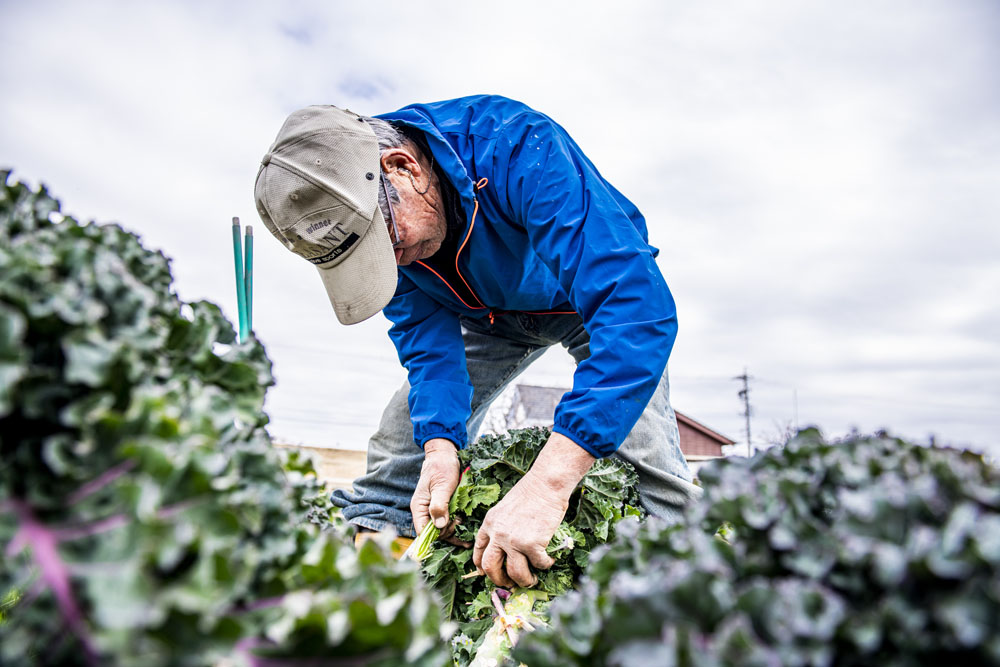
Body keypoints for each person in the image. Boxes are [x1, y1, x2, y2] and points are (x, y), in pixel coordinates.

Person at [253, 95, 702, 588]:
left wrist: (548, 483)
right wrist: (439, 447)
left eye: (389, 245)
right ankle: (384, 594)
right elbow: (428, 348)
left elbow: (635, 310)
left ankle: (684, 582)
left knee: (645, 457)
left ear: (402, 168)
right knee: (402, 446)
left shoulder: (515, 145)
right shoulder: (387, 241)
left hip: (585, 304)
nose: (393, 263)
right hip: (488, 318)